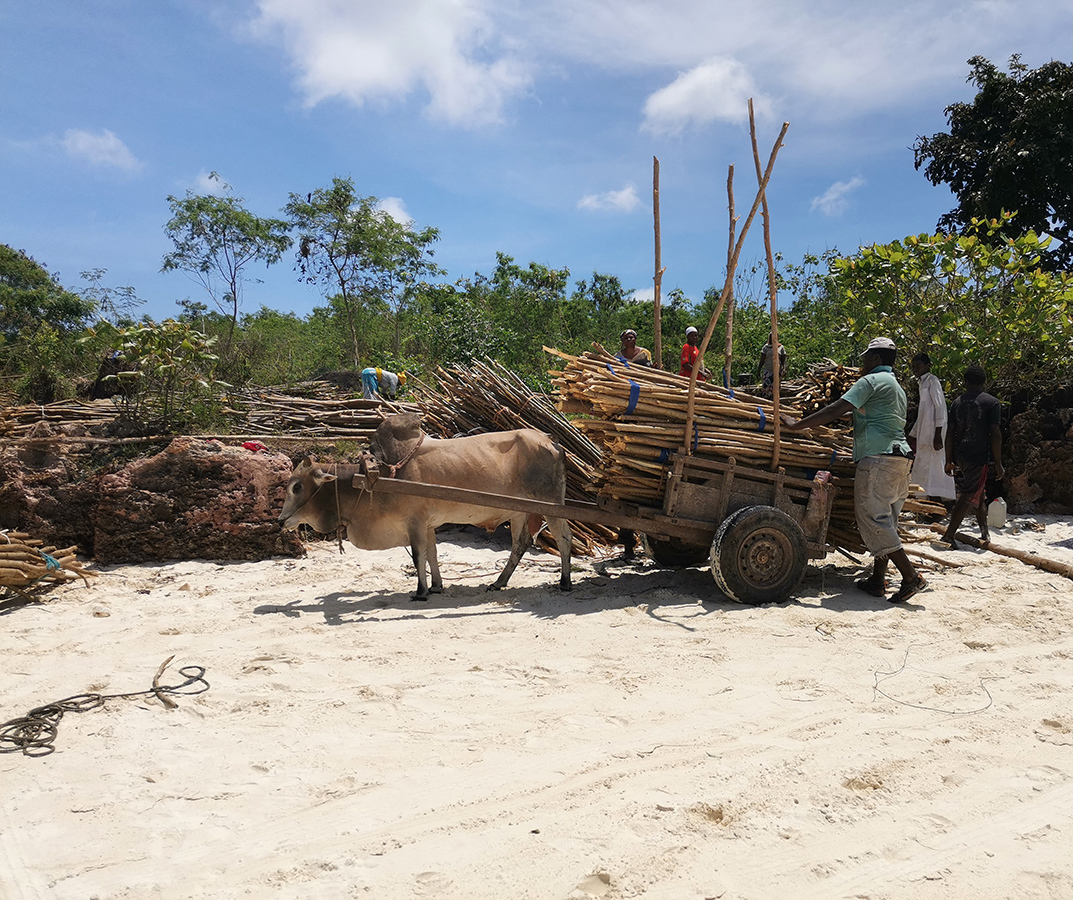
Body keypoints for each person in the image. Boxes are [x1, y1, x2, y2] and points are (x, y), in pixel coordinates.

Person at [781, 337, 927, 604]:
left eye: (865, 357)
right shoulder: (896, 387)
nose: (862, 362)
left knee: (874, 520)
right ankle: (877, 580)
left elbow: (837, 408)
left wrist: (797, 425)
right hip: (901, 460)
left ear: (875, 359)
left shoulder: (870, 381)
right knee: (887, 520)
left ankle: (910, 577)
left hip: (879, 460)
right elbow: (863, 414)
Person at [941, 365, 1004, 549]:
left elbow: (950, 432)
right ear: (984, 382)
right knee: (969, 494)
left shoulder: (956, 402)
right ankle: (949, 534)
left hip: (961, 455)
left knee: (979, 492)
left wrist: (948, 459)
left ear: (966, 382)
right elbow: (996, 434)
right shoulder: (992, 403)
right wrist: (998, 463)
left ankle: (984, 532)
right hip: (978, 456)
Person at [908, 353, 955, 503]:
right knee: (925, 467)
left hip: (934, 434)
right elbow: (923, 414)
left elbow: (940, 408)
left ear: (927, 366)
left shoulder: (932, 381)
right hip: (925, 433)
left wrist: (938, 434)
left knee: (934, 468)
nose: (915, 369)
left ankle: (937, 503)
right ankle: (926, 501)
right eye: (913, 367)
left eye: (918, 366)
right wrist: (913, 434)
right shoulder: (922, 383)